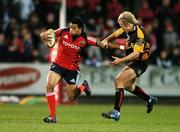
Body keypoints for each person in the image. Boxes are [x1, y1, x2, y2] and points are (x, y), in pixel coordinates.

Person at [40, 16, 107, 123]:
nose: (71, 30)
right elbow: (47, 34)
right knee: (49, 86)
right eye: (70, 27)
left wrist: (104, 44)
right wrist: (43, 35)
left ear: (80, 29)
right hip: (58, 64)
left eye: (74, 28)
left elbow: (98, 42)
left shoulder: (85, 39)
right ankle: (52, 117)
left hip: (72, 69)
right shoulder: (63, 31)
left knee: (71, 97)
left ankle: (83, 86)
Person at [101, 11, 158, 121]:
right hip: (135, 61)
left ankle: (116, 112)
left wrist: (120, 61)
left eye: (122, 25)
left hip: (140, 63)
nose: (121, 27)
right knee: (129, 86)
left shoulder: (140, 35)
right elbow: (115, 34)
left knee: (119, 81)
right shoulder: (129, 28)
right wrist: (106, 40)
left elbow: (135, 54)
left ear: (127, 24)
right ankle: (149, 99)